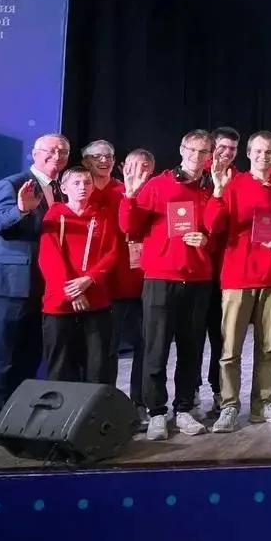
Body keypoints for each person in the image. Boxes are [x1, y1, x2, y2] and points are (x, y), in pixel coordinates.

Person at [119, 129, 218, 441]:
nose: (197, 156)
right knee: (156, 348)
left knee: (191, 349)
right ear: (181, 149)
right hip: (161, 278)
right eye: (192, 150)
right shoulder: (158, 184)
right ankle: (156, 412)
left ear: (210, 156)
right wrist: (130, 196)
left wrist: (207, 240)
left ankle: (184, 408)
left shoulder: (214, 188)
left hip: (199, 278)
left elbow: (222, 233)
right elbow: (130, 228)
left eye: (204, 152)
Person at [205, 131, 271, 431]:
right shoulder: (232, 184)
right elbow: (213, 225)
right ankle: (229, 406)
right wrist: (217, 192)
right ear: (248, 154)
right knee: (230, 350)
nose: (263, 156)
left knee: (269, 347)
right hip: (238, 277)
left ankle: (263, 405)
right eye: (258, 151)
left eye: (269, 152)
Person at [0, 132, 71, 432]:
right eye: (51, 151)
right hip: (12, 286)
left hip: (46, 287)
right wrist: (21, 210)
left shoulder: (61, 190)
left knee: (31, 356)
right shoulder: (12, 184)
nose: (57, 156)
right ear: (35, 153)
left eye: (63, 152)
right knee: (6, 356)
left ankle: (19, 417)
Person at [37, 166, 119, 385]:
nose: (83, 187)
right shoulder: (54, 216)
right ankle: (59, 407)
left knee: (97, 366)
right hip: (59, 302)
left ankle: (95, 407)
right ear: (64, 188)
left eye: (87, 183)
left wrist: (89, 279)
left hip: (95, 300)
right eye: (76, 183)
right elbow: (49, 257)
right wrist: (72, 292)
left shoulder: (103, 216)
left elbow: (111, 253)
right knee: (60, 366)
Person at [106, 148, 154, 424]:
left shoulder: (157, 192)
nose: (139, 170)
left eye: (145, 166)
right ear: (123, 166)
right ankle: (107, 405)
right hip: (113, 284)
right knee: (108, 348)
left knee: (145, 347)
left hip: (147, 284)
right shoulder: (112, 193)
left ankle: (140, 403)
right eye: (134, 165)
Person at [203, 126, 240, 413]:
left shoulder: (239, 179)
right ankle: (188, 393)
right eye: (222, 147)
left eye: (232, 149)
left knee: (221, 336)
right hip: (195, 266)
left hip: (225, 269)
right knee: (190, 337)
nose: (227, 153)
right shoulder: (194, 175)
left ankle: (218, 390)